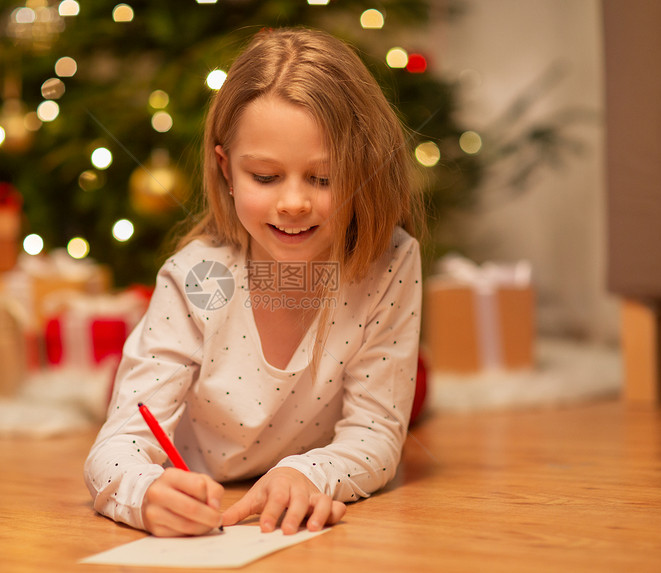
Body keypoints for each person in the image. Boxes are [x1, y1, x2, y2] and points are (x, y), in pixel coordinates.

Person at [85, 27, 424, 538]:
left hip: (297, 480)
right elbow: (116, 448)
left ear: (367, 169)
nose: (293, 203)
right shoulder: (200, 279)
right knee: (117, 388)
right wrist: (144, 492)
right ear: (226, 170)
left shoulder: (392, 261)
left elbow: (374, 434)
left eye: (324, 178)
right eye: (265, 177)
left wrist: (306, 473)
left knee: (418, 394)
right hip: (209, 480)